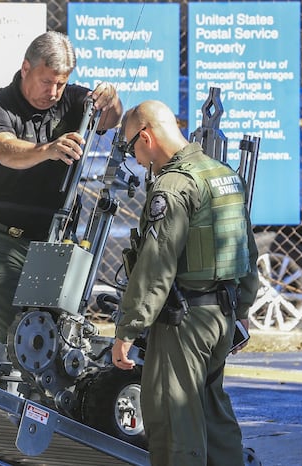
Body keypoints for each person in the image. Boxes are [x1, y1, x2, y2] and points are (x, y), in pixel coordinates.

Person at [111, 100, 259, 466]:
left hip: (184, 322)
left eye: (133, 148)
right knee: (213, 416)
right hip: (220, 317)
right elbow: (246, 251)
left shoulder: (174, 185)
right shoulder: (221, 173)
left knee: (174, 422)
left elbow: (155, 265)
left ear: (146, 136)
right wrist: (238, 311)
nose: (137, 158)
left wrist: (128, 330)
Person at [0, 31, 123, 345]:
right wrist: (48, 149)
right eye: (46, 81)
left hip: (53, 238)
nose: (53, 92)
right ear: (26, 68)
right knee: (20, 336)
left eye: (61, 83)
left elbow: (110, 119)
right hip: (2, 237)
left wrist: (111, 100)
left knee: (53, 335)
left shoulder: (75, 100)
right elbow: (4, 149)